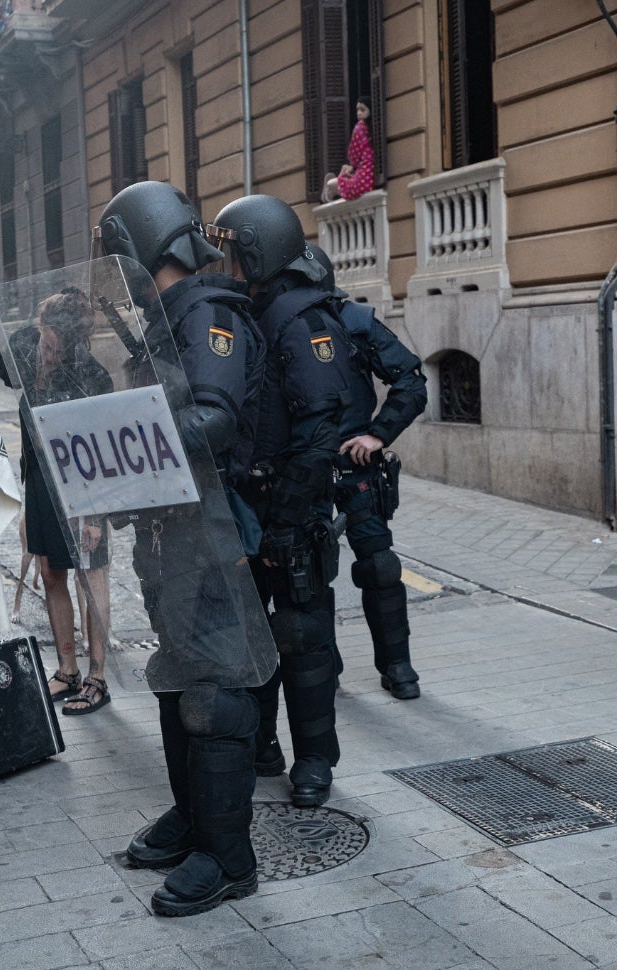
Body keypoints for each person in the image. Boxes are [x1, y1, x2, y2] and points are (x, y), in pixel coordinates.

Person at [90, 182, 269, 917]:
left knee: (216, 692)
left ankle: (229, 857)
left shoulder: (209, 313)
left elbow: (216, 422)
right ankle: (195, 821)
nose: (117, 276)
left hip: (218, 535)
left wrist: (119, 447)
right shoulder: (166, 321)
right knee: (179, 677)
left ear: (143, 248)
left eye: (119, 258)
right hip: (174, 538)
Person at [210, 194, 356, 810]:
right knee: (251, 634)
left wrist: (289, 520)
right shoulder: (246, 313)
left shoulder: (302, 319)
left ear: (259, 253)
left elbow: (321, 430)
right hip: (248, 502)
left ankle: (315, 758)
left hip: (292, 508)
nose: (224, 264)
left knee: (301, 634)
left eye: (233, 253)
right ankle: (263, 742)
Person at [0, 294, 114, 717]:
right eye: (43, 340)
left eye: (55, 345)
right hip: (41, 481)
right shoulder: (33, 357)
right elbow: (3, 364)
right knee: (50, 572)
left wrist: (94, 514)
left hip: (82, 488)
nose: (45, 351)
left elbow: (103, 449)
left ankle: (97, 677)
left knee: (90, 580)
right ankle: (68, 668)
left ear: (74, 342)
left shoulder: (90, 376)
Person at [315, 251, 426, 699]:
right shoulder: (272, 323)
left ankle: (397, 665)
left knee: (380, 567)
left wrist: (378, 435)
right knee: (308, 576)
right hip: (303, 473)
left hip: (355, 468)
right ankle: (324, 666)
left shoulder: (352, 321)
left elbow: (411, 380)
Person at [321, 99, 375, 204]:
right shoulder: (372, 128)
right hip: (370, 179)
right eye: (357, 110)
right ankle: (332, 193)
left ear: (370, 111)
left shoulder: (360, 127)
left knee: (331, 183)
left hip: (362, 181)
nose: (359, 113)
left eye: (362, 110)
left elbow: (354, 155)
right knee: (344, 173)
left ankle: (330, 193)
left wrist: (351, 166)